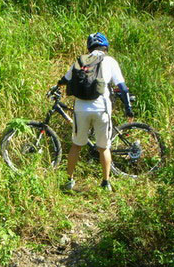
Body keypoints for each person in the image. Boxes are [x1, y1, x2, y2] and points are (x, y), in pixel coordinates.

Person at [56, 33, 134, 191]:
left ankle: (69, 181)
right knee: (104, 147)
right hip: (101, 109)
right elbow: (123, 88)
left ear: (89, 47)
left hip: (81, 109)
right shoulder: (110, 61)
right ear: (105, 47)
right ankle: (105, 183)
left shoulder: (81, 60)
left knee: (76, 145)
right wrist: (128, 109)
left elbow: (64, 80)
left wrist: (56, 86)